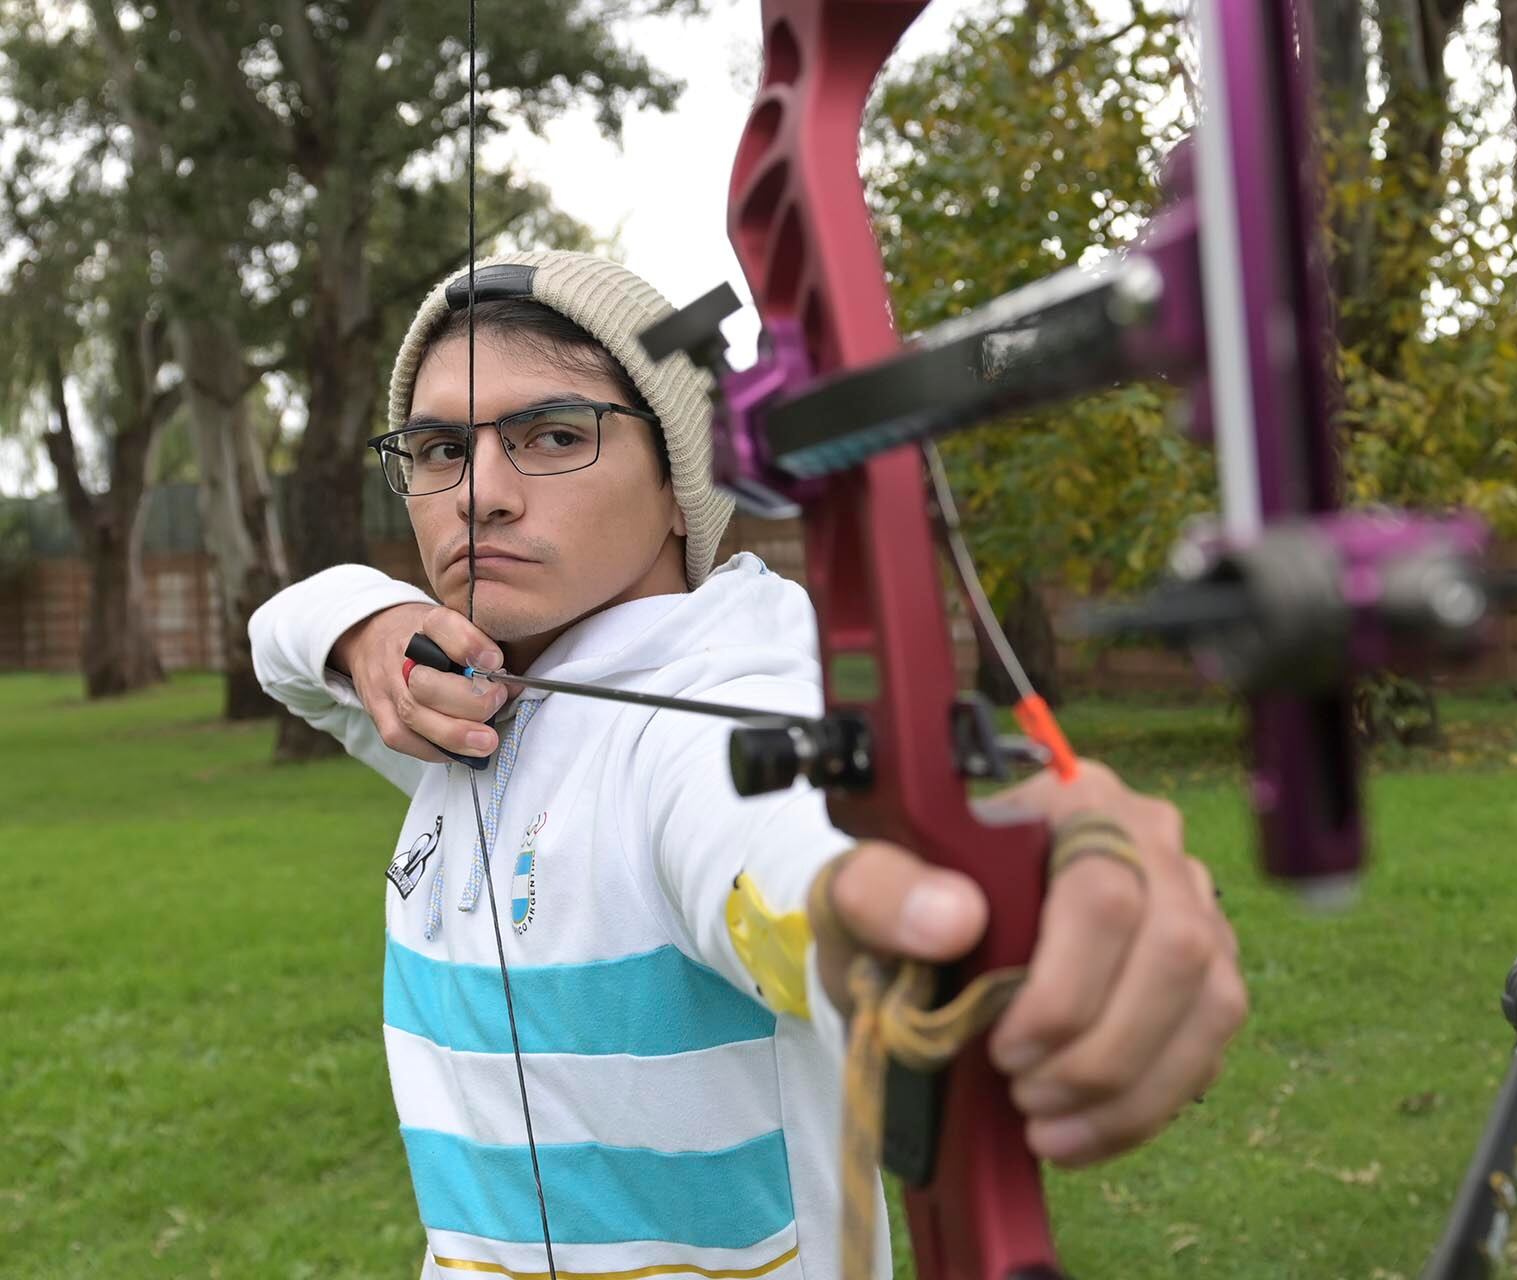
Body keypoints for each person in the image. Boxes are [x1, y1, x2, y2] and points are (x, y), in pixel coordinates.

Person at [250, 250, 1246, 1280]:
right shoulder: (454, 704)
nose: (479, 496)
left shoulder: (702, 708)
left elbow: (777, 856)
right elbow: (278, 642)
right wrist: (362, 624)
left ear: (686, 486)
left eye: (551, 434)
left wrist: (951, 938)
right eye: (438, 448)